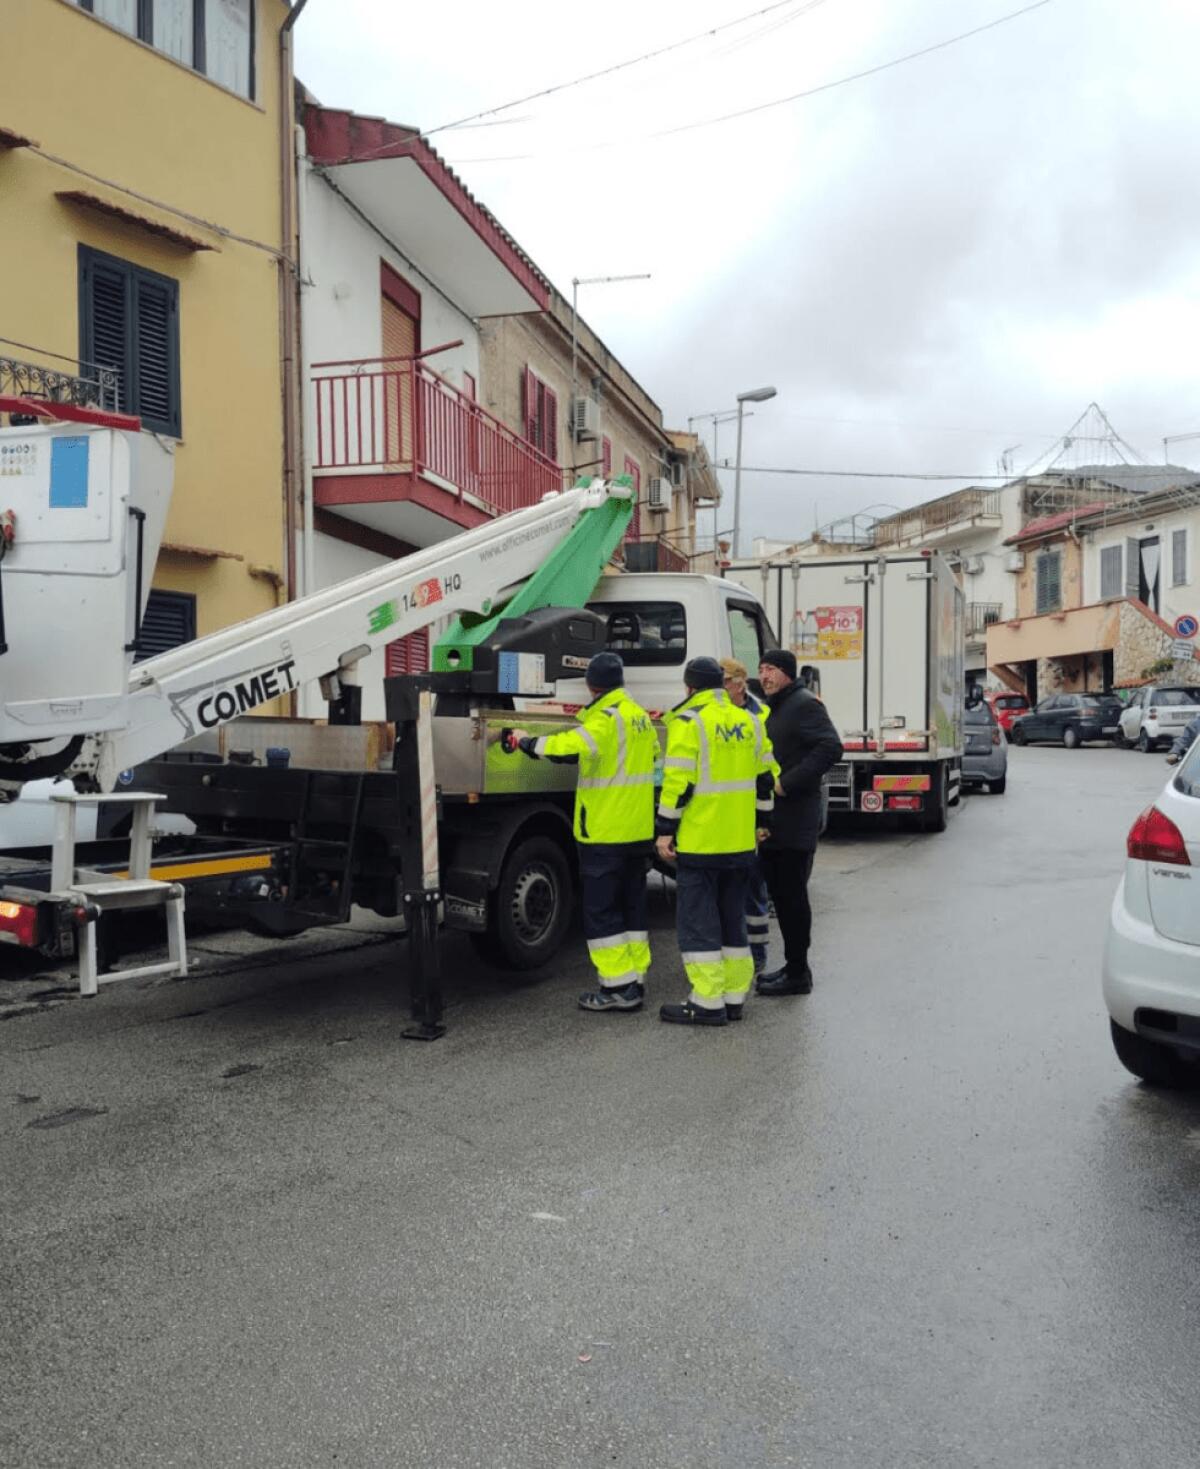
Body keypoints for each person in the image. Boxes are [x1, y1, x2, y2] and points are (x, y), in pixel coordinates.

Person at [507, 652, 657, 1013]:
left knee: (601, 912)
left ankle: (616, 988)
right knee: (632, 907)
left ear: (592, 685)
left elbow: (565, 748)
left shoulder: (605, 719)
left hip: (606, 831)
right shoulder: (638, 717)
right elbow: (650, 758)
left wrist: (526, 741)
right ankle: (634, 978)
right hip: (638, 831)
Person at [656, 656, 776, 1027]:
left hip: (701, 841)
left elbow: (678, 783)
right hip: (740, 843)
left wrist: (664, 829)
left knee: (698, 923)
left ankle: (707, 1002)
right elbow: (765, 780)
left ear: (690, 688)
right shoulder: (751, 722)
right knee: (731, 921)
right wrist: (763, 821)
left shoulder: (690, 723)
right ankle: (734, 997)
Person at [755, 648, 843, 997]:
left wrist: (785, 783)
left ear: (788, 673)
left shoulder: (805, 703)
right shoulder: (777, 705)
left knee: (792, 898)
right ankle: (793, 967)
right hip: (776, 820)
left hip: (795, 819)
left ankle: (798, 972)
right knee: (782, 894)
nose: (764, 676)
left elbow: (830, 747)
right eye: (761, 669)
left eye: (772, 669)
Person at [720, 656, 777, 978]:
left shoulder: (762, 714)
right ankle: (731, 956)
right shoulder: (709, 714)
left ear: (740, 683)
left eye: (725, 681)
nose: (721, 687)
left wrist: (764, 819)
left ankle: (757, 956)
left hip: (751, 815)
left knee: (754, 890)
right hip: (720, 817)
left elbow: (767, 771)